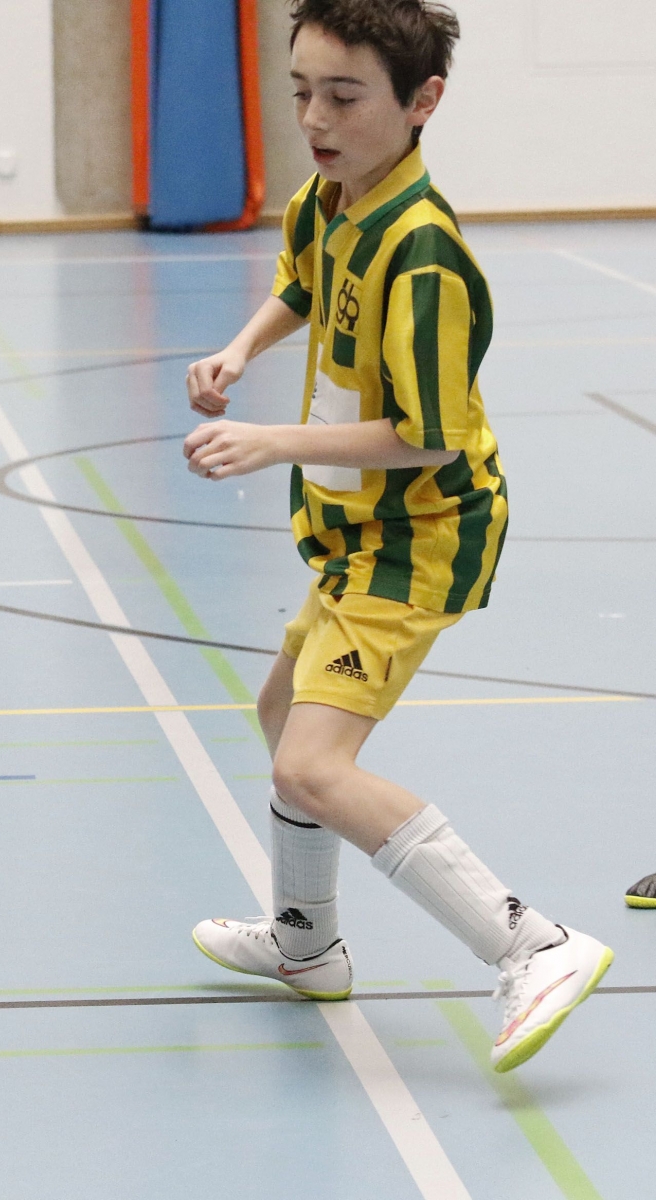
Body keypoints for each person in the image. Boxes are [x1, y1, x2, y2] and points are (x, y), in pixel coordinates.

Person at [181, 0, 609, 1074]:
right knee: (281, 711)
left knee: (314, 765)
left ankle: (533, 943)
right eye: (300, 93)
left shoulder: (423, 255)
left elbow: (424, 437)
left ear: (423, 104)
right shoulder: (331, 200)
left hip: (418, 531)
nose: (315, 119)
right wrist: (238, 348)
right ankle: (307, 942)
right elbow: (300, 287)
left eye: (343, 96)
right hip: (351, 527)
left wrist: (268, 440)